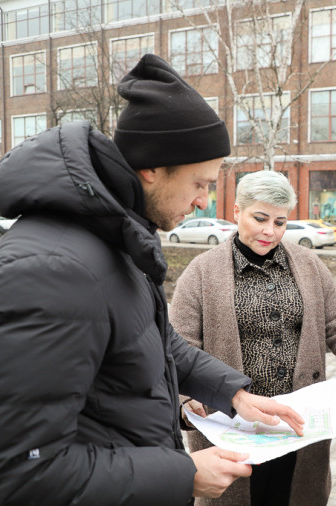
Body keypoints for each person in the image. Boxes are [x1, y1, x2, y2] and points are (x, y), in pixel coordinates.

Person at [0, 54, 305, 505]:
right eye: (199, 183)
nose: (204, 202)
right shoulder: (55, 270)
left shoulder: (117, 236)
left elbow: (154, 340)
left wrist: (234, 394)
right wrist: (184, 474)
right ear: (152, 169)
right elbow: (25, 472)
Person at [170, 169, 336, 506]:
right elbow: (180, 347)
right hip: (232, 427)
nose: (270, 231)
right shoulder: (201, 272)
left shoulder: (309, 265)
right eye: (260, 218)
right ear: (237, 211)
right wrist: (185, 400)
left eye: (280, 222)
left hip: (297, 427)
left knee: (294, 495)